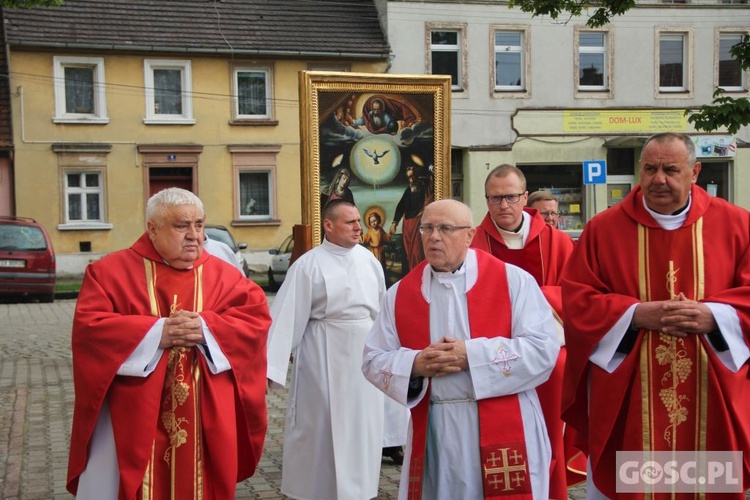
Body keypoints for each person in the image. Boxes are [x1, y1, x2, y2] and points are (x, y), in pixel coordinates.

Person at [561, 132, 750, 499]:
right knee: (635, 488)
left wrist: (715, 317)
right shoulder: (603, 229)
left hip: (712, 398)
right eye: (649, 169)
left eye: (670, 170)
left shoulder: (737, 225)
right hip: (630, 400)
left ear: (695, 172)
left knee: (708, 487)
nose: (658, 179)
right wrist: (633, 315)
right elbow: (578, 301)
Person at [66, 187, 271, 499]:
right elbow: (90, 330)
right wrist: (155, 334)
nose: (194, 236)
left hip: (205, 411)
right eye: (181, 226)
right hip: (133, 412)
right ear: (152, 229)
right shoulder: (110, 273)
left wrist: (207, 329)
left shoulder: (224, 276)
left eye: (199, 225)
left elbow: (254, 321)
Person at [363, 198, 560, 499]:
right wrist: (415, 365)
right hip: (437, 430)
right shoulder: (401, 294)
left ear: (469, 235)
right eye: (427, 228)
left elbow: (544, 349)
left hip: (506, 425)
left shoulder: (512, 281)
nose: (433, 237)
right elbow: (373, 359)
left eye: (445, 228)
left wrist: (472, 355)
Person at [470, 164, 581, 499]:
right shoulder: (473, 243)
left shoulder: (558, 243)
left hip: (546, 357)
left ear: (524, 196)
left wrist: (535, 298)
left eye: (511, 197)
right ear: (487, 200)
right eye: (496, 198)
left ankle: (551, 491)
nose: (504, 205)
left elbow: (577, 294)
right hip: (493, 354)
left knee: (548, 430)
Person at [266, 199, 387, 499]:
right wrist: (273, 368)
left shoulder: (369, 260)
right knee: (320, 429)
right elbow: (286, 318)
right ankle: (317, 491)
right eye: (351, 222)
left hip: (363, 357)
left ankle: (360, 490)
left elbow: (383, 310)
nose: (359, 227)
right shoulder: (308, 265)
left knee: (362, 428)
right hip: (322, 356)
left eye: (359, 221)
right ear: (329, 226)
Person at [389, 166, 427, 272]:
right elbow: (401, 206)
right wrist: (394, 223)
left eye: (413, 176)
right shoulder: (409, 190)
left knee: (417, 252)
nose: (412, 179)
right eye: (409, 177)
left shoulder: (424, 188)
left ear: (417, 176)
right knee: (408, 253)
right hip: (408, 226)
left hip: (418, 224)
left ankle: (418, 274)